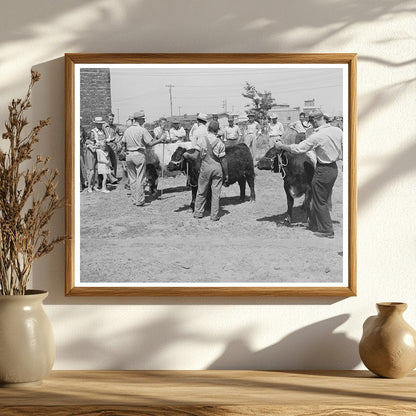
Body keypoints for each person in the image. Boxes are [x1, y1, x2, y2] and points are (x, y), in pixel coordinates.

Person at [275, 109, 343, 238]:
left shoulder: (317, 136)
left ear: (316, 120)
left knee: (318, 201)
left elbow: (299, 148)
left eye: (312, 122)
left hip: (323, 169)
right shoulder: (337, 131)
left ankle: (326, 229)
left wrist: (282, 146)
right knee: (325, 197)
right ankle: (317, 223)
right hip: (334, 169)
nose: (311, 124)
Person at [121, 110, 165, 206]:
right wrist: (160, 140)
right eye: (143, 119)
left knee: (132, 179)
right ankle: (140, 200)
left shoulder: (127, 130)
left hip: (128, 155)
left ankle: (134, 199)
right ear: (139, 119)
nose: (144, 121)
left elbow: (123, 143)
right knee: (140, 178)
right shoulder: (142, 130)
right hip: (138, 154)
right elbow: (149, 143)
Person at [184, 121, 226, 221]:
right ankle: (214, 215)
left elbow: (195, 156)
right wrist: (226, 173)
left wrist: (187, 155)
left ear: (208, 129)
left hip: (205, 168)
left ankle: (198, 213)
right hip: (217, 168)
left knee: (201, 190)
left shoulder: (202, 140)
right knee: (216, 193)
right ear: (217, 130)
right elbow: (223, 160)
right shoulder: (220, 142)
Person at [104, 112, 122, 178]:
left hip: (113, 146)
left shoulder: (115, 127)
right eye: (110, 119)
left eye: (112, 119)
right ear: (107, 119)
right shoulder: (103, 126)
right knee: (106, 162)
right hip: (105, 146)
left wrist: (118, 142)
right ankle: (106, 178)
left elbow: (120, 134)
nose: (111, 120)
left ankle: (114, 177)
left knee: (114, 162)